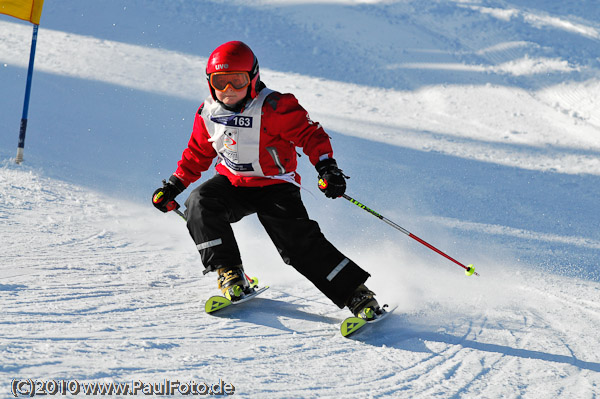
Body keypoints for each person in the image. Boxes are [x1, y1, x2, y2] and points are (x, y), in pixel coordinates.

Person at [152, 41, 381, 319]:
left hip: (275, 184)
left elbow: (311, 136)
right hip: (233, 183)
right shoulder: (208, 113)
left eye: (237, 81)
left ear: (253, 78)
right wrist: (174, 185)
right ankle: (230, 273)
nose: (228, 91)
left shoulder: (274, 106)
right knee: (199, 203)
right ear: (209, 82)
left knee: (296, 244)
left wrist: (327, 168)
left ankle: (357, 294)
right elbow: (198, 153)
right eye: (220, 82)